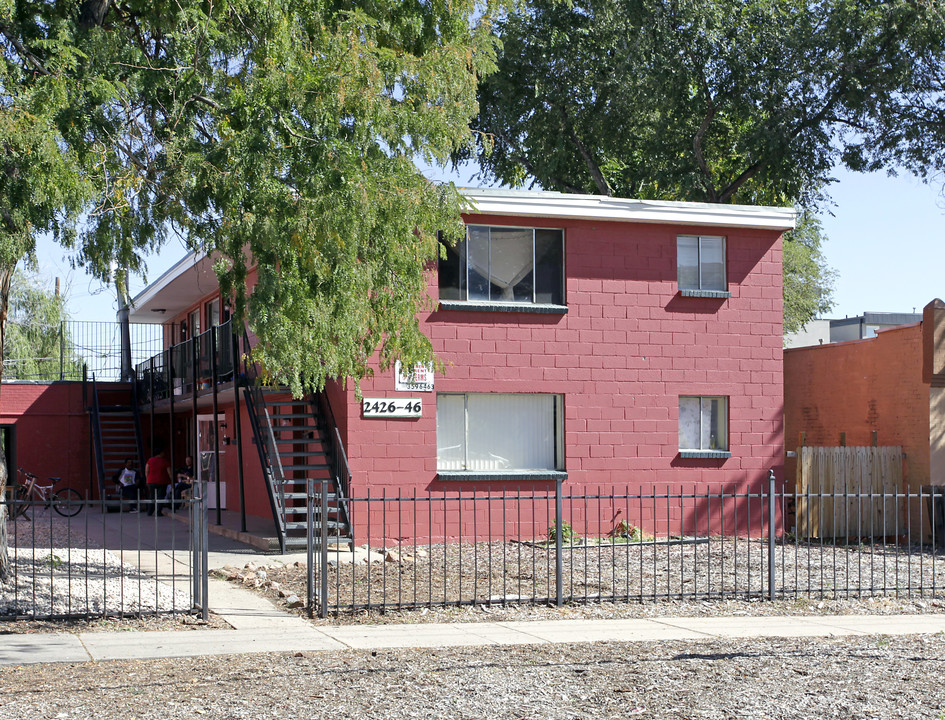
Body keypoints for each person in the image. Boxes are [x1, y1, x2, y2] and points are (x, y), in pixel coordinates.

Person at [144, 446, 172, 516]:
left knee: (152, 496)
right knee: (160, 497)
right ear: (160, 453)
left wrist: (147, 480)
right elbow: (169, 473)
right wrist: (172, 481)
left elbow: (146, 471)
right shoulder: (165, 461)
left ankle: (149, 512)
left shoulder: (150, 460)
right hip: (162, 481)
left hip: (151, 481)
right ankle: (158, 512)